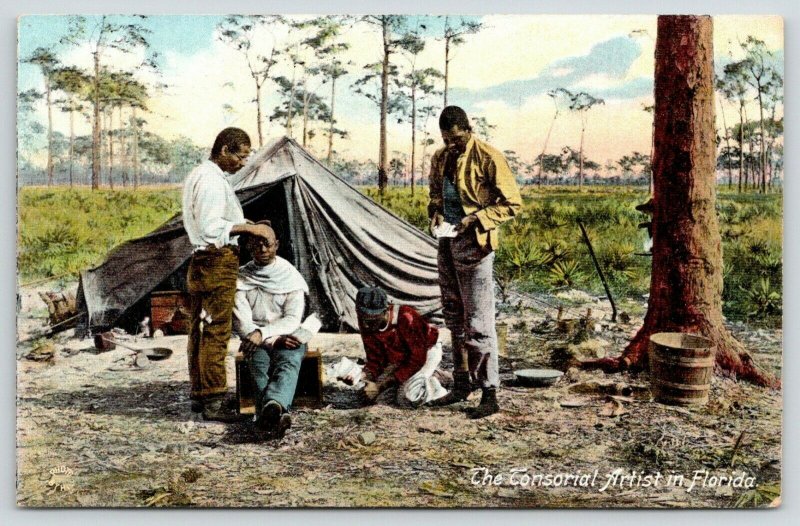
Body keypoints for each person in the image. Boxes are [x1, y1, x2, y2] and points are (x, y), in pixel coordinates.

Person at [427, 106, 522, 418]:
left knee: (479, 323)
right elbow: (435, 197)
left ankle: (489, 391)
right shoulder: (440, 158)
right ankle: (461, 382)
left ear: (468, 129)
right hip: (448, 242)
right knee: (453, 316)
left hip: (476, 245)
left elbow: (512, 203)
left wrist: (476, 218)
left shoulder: (488, 157)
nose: (451, 145)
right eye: (446, 139)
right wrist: (436, 213)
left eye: (456, 139)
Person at [182, 127, 271, 421]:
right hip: (216, 261)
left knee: (201, 328)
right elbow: (210, 228)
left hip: (202, 261)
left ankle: (200, 395)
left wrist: (243, 222)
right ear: (224, 151)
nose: (243, 163)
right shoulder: (210, 181)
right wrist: (248, 229)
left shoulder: (203, 175)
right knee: (216, 330)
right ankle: (214, 401)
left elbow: (216, 221)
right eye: (241, 156)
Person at [233, 222, 308, 438]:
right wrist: (265, 339)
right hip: (254, 340)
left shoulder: (290, 276)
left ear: (277, 245)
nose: (263, 250)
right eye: (256, 245)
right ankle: (277, 411)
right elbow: (242, 322)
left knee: (289, 360)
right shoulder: (241, 277)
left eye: (267, 244)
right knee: (257, 363)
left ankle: (269, 410)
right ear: (248, 247)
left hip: (285, 336)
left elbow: (293, 319)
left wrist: (267, 335)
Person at [354, 286, 449, 407]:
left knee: (407, 397)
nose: (367, 324)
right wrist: (362, 376)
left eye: (373, 319)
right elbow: (375, 357)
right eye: (364, 318)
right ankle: (424, 377)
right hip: (399, 357)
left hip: (426, 352)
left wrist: (380, 385)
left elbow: (417, 359)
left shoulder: (406, 317)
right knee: (379, 399)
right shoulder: (365, 322)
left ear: (386, 311)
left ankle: (436, 383)